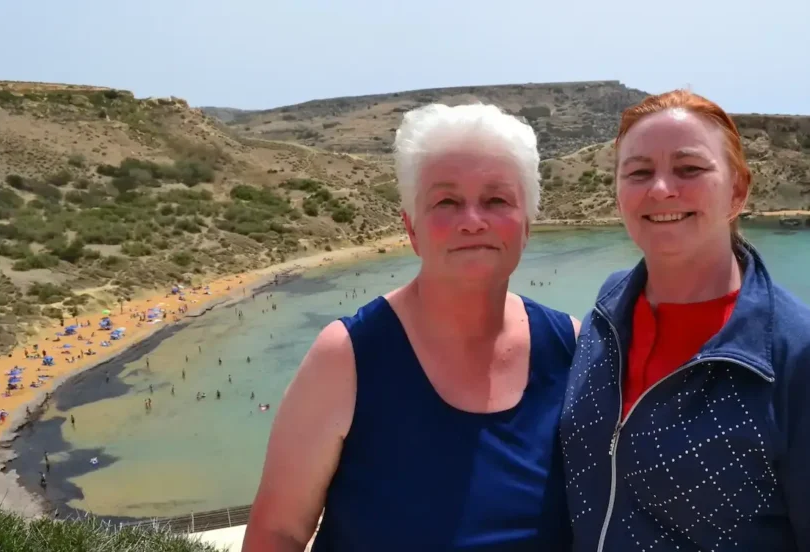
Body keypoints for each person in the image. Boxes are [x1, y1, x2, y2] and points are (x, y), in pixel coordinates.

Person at [560, 90, 810, 551]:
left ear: (737, 190)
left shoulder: (809, 361)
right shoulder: (607, 312)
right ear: (618, 193)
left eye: (689, 169)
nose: (660, 189)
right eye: (638, 172)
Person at [244, 103, 580, 552]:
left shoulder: (573, 349)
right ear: (411, 228)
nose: (472, 220)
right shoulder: (347, 357)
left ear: (528, 226)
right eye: (446, 202)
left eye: (497, 200)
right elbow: (277, 535)